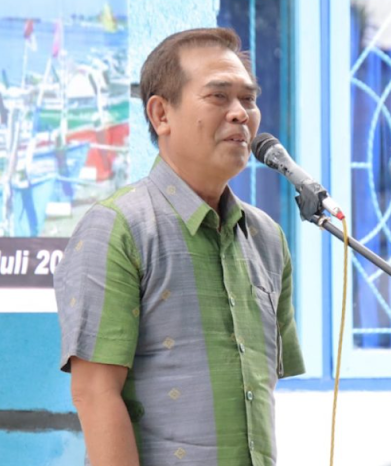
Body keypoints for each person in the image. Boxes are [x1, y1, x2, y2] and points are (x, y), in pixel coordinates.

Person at [55, 27, 305, 466]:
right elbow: (94, 392)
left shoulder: (267, 237)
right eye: (218, 96)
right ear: (161, 114)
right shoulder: (118, 228)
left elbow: (258, 391)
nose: (240, 114)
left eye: (248, 99)